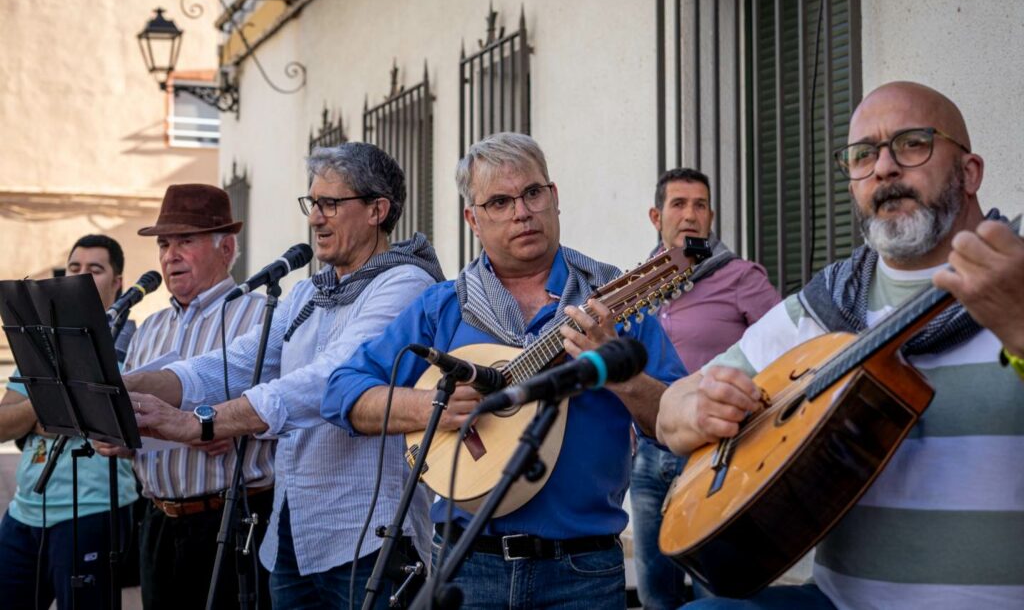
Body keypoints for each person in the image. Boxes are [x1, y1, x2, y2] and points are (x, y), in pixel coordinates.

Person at [656, 81, 1024, 609]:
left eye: (912, 144)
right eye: (863, 154)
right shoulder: (823, 307)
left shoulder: (1016, 281)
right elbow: (671, 411)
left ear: (969, 173)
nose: (884, 168)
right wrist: (694, 409)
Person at [323, 132, 686, 609]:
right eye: (499, 202)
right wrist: (427, 406)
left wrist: (618, 371)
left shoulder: (611, 305)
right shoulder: (444, 308)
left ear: (554, 198)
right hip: (465, 566)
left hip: (582, 570)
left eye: (533, 193)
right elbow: (341, 393)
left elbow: (678, 421)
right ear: (473, 219)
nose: (522, 212)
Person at [125, 143, 445, 609]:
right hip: (292, 534)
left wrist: (202, 423)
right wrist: (122, 387)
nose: (316, 217)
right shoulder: (309, 293)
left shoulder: (404, 284)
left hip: (367, 534)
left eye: (331, 204)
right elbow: (232, 362)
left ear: (378, 210)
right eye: (312, 203)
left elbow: (329, 379)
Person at [97, 183, 274, 609]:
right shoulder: (149, 328)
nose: (169, 255)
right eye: (163, 243)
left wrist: (236, 428)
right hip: (157, 522)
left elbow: (293, 408)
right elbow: (135, 420)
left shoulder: (260, 315)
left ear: (227, 248)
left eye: (186, 241)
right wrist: (117, 437)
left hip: (233, 521)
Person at [631, 169, 779, 609]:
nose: (690, 215)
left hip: (716, 457)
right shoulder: (636, 287)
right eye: (678, 204)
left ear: (711, 216)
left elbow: (784, 352)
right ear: (656, 215)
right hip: (648, 458)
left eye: (700, 205)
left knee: (718, 592)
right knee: (656, 593)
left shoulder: (741, 277)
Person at [0, 234, 140, 609]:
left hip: (92, 513)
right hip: (24, 511)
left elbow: (124, 427)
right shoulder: (38, 346)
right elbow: (2, 422)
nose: (79, 276)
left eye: (94, 270)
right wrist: (49, 406)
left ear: (118, 282)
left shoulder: (134, 346)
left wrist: (38, 409)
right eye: (74, 267)